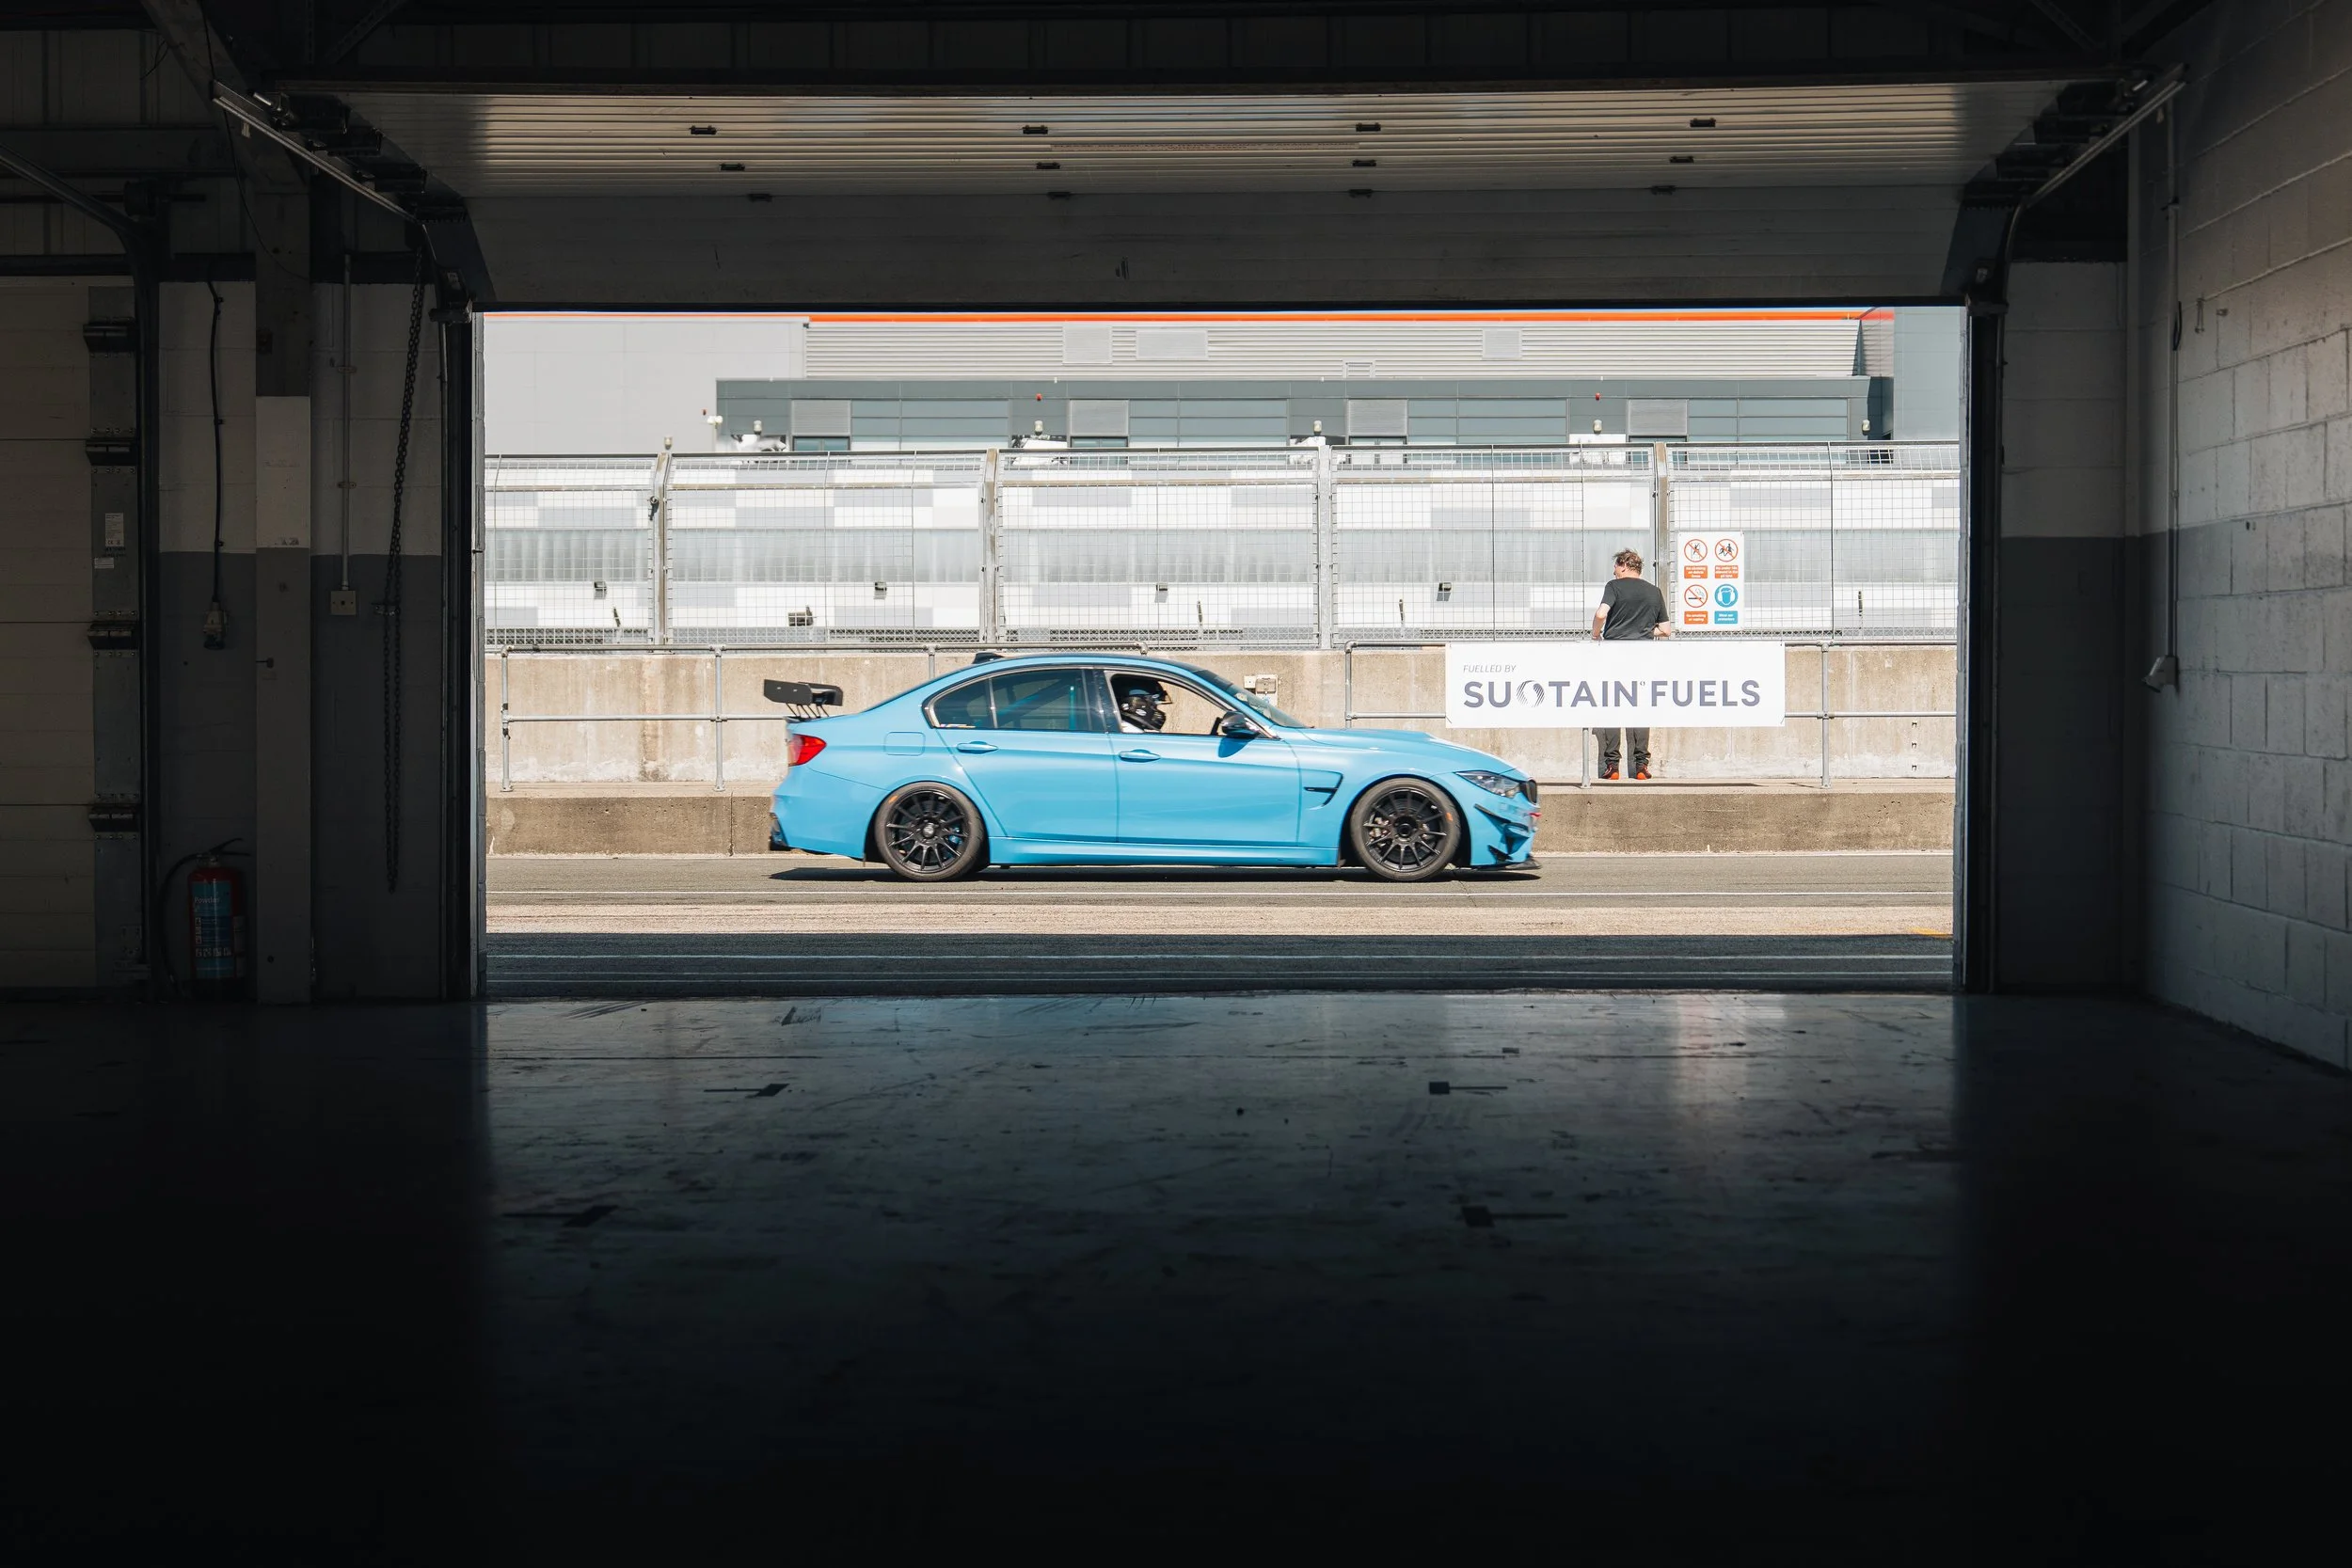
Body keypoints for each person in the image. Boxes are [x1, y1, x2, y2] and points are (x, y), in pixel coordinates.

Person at [1591, 547, 1670, 781]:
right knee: (1640, 708)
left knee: (1614, 707)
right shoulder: (1654, 592)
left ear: (1624, 565)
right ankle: (1641, 767)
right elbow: (1666, 630)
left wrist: (1596, 634)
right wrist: (1643, 631)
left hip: (1615, 654)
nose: (1614, 571)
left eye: (1616, 566)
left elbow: (1601, 614)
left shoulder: (1613, 587)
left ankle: (1612, 767)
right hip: (1642, 656)